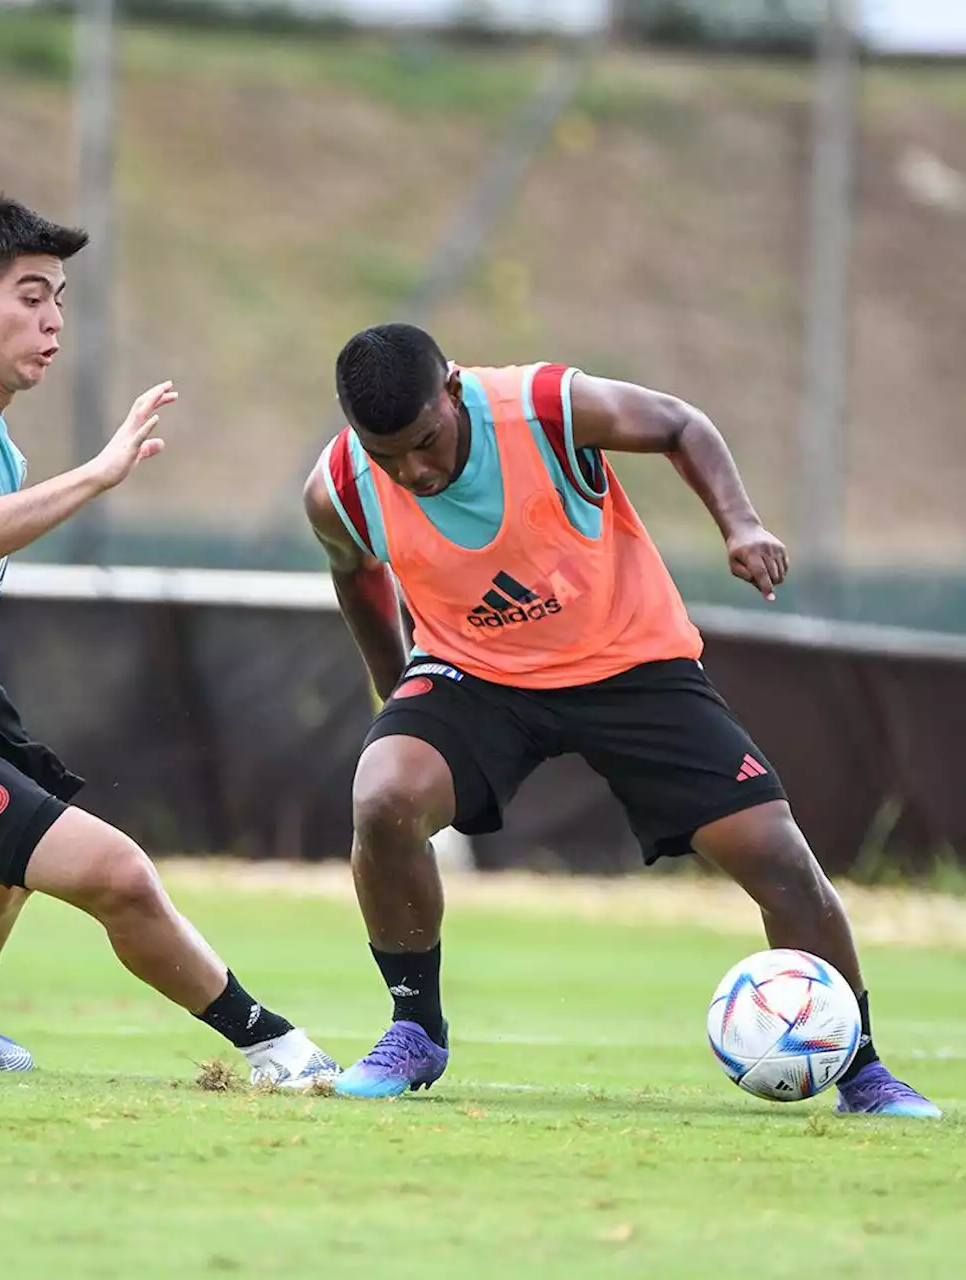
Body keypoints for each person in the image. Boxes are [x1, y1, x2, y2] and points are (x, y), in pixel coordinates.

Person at [304, 322, 937, 1116]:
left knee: (775, 856)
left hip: (633, 664)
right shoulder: (339, 488)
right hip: (476, 675)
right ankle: (414, 1029)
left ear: (453, 389)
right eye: (387, 452)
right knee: (384, 795)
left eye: (425, 442)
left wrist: (740, 523)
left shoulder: (544, 407)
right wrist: (396, 688)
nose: (413, 469)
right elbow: (357, 574)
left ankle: (864, 1070)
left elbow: (680, 424)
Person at [0, 191, 336, 1087]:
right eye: (31, 296)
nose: (53, 322)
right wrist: (94, 477)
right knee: (116, 874)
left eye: (59, 301)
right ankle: (276, 1048)